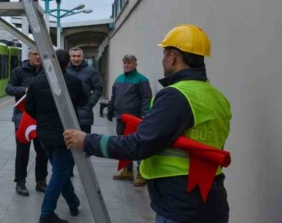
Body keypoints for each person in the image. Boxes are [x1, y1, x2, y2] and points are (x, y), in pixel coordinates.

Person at [64, 25, 231, 223]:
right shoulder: (217, 97)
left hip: (180, 203)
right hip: (212, 198)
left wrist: (87, 141)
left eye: (164, 54)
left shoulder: (176, 96)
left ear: (173, 57)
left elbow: (139, 144)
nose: (162, 60)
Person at [25, 49, 88, 223]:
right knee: (60, 172)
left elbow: (28, 107)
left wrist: (42, 118)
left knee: (61, 171)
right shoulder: (73, 81)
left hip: (44, 135)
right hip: (66, 135)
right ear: (67, 64)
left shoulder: (36, 82)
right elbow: (84, 101)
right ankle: (46, 214)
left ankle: (73, 202)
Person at [6, 48, 49, 196]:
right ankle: (20, 182)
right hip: (22, 117)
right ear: (29, 55)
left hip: (42, 117)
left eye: (40, 54)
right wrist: (24, 90)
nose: (38, 57)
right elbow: (9, 88)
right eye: (35, 54)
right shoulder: (19, 71)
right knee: (22, 151)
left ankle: (41, 181)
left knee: (42, 151)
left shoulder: (48, 71)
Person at [109, 54, 152, 186]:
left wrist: (145, 116)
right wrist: (111, 108)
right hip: (121, 118)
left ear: (135, 64)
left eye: (129, 63)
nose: (126, 65)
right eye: (125, 63)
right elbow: (114, 95)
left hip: (135, 120)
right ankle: (127, 171)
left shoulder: (142, 80)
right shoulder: (119, 79)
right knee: (123, 144)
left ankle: (141, 173)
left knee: (137, 145)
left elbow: (146, 99)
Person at [66, 48, 103, 134]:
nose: (76, 58)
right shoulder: (65, 70)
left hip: (84, 113)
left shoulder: (91, 71)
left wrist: (90, 103)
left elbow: (98, 88)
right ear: (70, 57)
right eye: (73, 56)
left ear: (83, 57)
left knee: (84, 142)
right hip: (68, 112)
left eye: (78, 56)